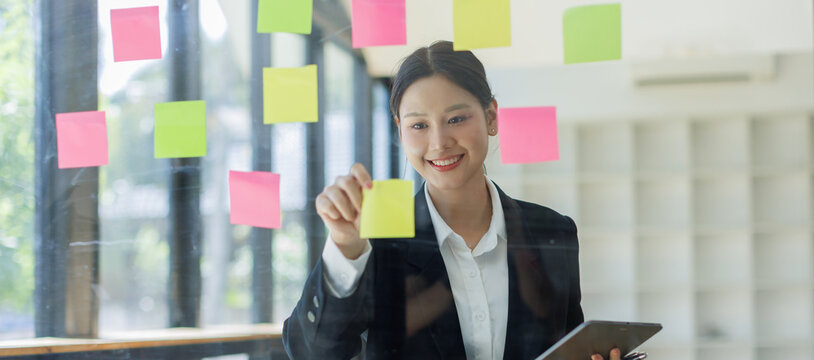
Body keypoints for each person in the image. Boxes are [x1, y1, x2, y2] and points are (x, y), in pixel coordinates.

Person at [283, 40, 620, 360]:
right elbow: (312, 354)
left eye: (456, 119)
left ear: (491, 117)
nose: (439, 142)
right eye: (419, 126)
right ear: (400, 129)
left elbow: (568, 347)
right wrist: (345, 246)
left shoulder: (553, 232)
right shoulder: (377, 240)